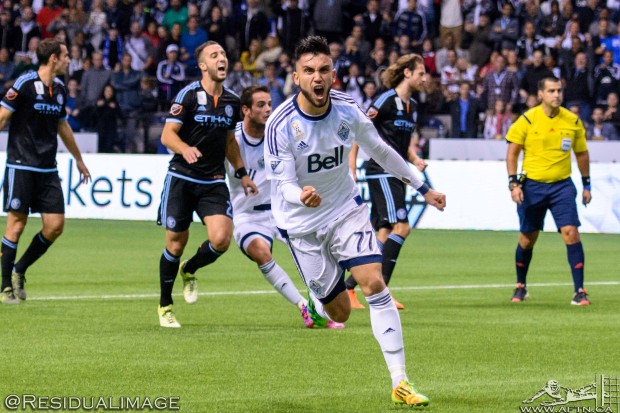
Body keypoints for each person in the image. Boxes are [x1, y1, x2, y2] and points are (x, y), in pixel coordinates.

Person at [265, 36, 446, 407]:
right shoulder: (280, 124)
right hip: (301, 224)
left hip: (345, 209)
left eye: (324, 70)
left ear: (333, 74)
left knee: (374, 283)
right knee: (340, 311)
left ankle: (400, 381)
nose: (317, 77)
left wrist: (422, 186)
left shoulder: (347, 109)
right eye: (308, 71)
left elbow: (380, 150)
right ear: (296, 77)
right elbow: (282, 185)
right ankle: (319, 299)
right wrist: (301, 194)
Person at [156, 41, 257, 328]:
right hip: (182, 178)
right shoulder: (188, 95)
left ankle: (189, 269)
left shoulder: (232, 102)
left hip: (213, 180)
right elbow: (167, 135)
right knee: (176, 243)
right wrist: (184, 148)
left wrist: (242, 172)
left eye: (223, 54)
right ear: (203, 65)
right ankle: (165, 306)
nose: (221, 58)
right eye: (214, 55)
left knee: (222, 240)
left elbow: (230, 142)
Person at [226, 85, 343, 329]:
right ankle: (303, 306)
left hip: (283, 211)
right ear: (245, 110)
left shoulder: (279, 132)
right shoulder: (230, 138)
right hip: (247, 216)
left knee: (326, 251)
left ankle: (320, 306)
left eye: (269, 104)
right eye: (261, 105)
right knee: (261, 252)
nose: (268, 109)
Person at [0, 39, 91, 304]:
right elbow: (3, 116)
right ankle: (5, 286)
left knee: (55, 226)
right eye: (65, 55)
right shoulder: (24, 83)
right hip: (21, 165)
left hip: (48, 168)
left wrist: (78, 159)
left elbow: (63, 127)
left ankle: (20, 268)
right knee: (16, 225)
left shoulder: (59, 89)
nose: (68, 59)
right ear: (53, 58)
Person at [344, 53, 430, 310]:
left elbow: (401, 143)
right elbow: (359, 131)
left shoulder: (412, 105)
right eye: (421, 73)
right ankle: (382, 293)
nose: (424, 78)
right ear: (407, 73)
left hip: (397, 172)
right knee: (401, 228)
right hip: (382, 171)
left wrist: (415, 159)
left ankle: (349, 288)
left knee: (383, 233)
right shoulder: (385, 100)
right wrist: (352, 166)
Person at [506, 76, 591, 306]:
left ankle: (580, 291)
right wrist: (513, 184)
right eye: (551, 91)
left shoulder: (572, 121)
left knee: (571, 233)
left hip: (562, 186)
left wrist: (587, 184)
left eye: (559, 90)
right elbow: (513, 152)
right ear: (540, 94)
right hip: (532, 186)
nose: (556, 95)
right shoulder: (527, 119)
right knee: (527, 239)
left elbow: (581, 153)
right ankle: (521, 285)